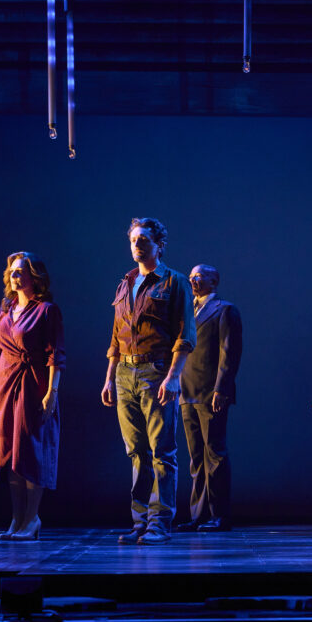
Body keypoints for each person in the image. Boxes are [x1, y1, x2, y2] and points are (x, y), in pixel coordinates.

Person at [101, 218, 195, 545]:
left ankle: (160, 523)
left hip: (156, 372)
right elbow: (116, 337)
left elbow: (186, 335)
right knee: (136, 451)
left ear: (159, 245)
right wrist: (109, 379)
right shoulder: (124, 284)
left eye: (144, 240)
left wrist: (173, 376)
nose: (137, 245)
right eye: (133, 240)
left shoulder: (174, 282)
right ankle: (140, 521)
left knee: (162, 450)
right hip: (125, 373)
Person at [0, 252, 65, 541]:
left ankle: (32, 519)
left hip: (33, 386)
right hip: (4, 386)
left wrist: (51, 392)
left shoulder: (47, 311)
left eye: (20, 271)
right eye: (12, 271)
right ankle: (16, 519)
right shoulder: (3, 312)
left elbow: (56, 355)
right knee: (9, 453)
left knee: (31, 451)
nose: (14, 275)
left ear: (34, 276)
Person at [176, 264, 242, 533]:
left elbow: (229, 352)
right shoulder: (186, 310)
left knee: (215, 453)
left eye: (199, 276)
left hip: (210, 392)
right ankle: (199, 514)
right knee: (196, 457)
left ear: (214, 281)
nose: (193, 280)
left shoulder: (224, 309)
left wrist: (221, 390)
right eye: (191, 276)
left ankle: (219, 515)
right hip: (186, 391)